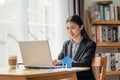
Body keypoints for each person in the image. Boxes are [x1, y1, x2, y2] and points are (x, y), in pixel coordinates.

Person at [53, 15, 96, 80]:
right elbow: (59, 59)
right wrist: (55, 62)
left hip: (83, 78)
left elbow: (85, 63)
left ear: (81, 27)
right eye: (67, 28)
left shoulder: (90, 44)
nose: (70, 31)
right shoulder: (66, 44)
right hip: (69, 77)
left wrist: (63, 62)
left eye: (72, 28)